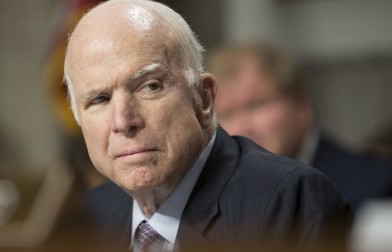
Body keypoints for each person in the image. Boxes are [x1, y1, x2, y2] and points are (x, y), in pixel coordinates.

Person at [63, 1, 350, 251]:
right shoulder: (85, 216)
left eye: (149, 86)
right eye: (100, 99)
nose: (124, 122)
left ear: (203, 98)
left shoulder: (288, 199)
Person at [210, 43, 392, 212]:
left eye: (257, 105)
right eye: (227, 114)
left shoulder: (376, 187)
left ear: (303, 106)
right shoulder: (210, 201)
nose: (243, 127)